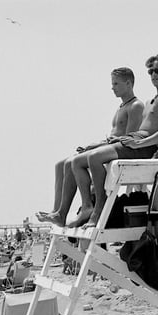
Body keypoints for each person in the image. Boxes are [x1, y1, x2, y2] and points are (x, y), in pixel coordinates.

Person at [75, 52, 158, 228]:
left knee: (94, 158)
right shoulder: (152, 99)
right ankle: (89, 205)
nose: (153, 75)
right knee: (82, 158)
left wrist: (141, 143)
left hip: (143, 147)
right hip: (135, 142)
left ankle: (98, 209)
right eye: (150, 71)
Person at [36, 67, 144, 227]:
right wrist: (95, 145)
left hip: (119, 150)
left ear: (128, 83)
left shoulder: (136, 106)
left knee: (74, 162)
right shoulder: (121, 107)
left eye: (116, 83)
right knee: (61, 164)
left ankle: (87, 205)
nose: (112, 87)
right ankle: (59, 212)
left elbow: (128, 139)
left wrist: (98, 145)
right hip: (108, 147)